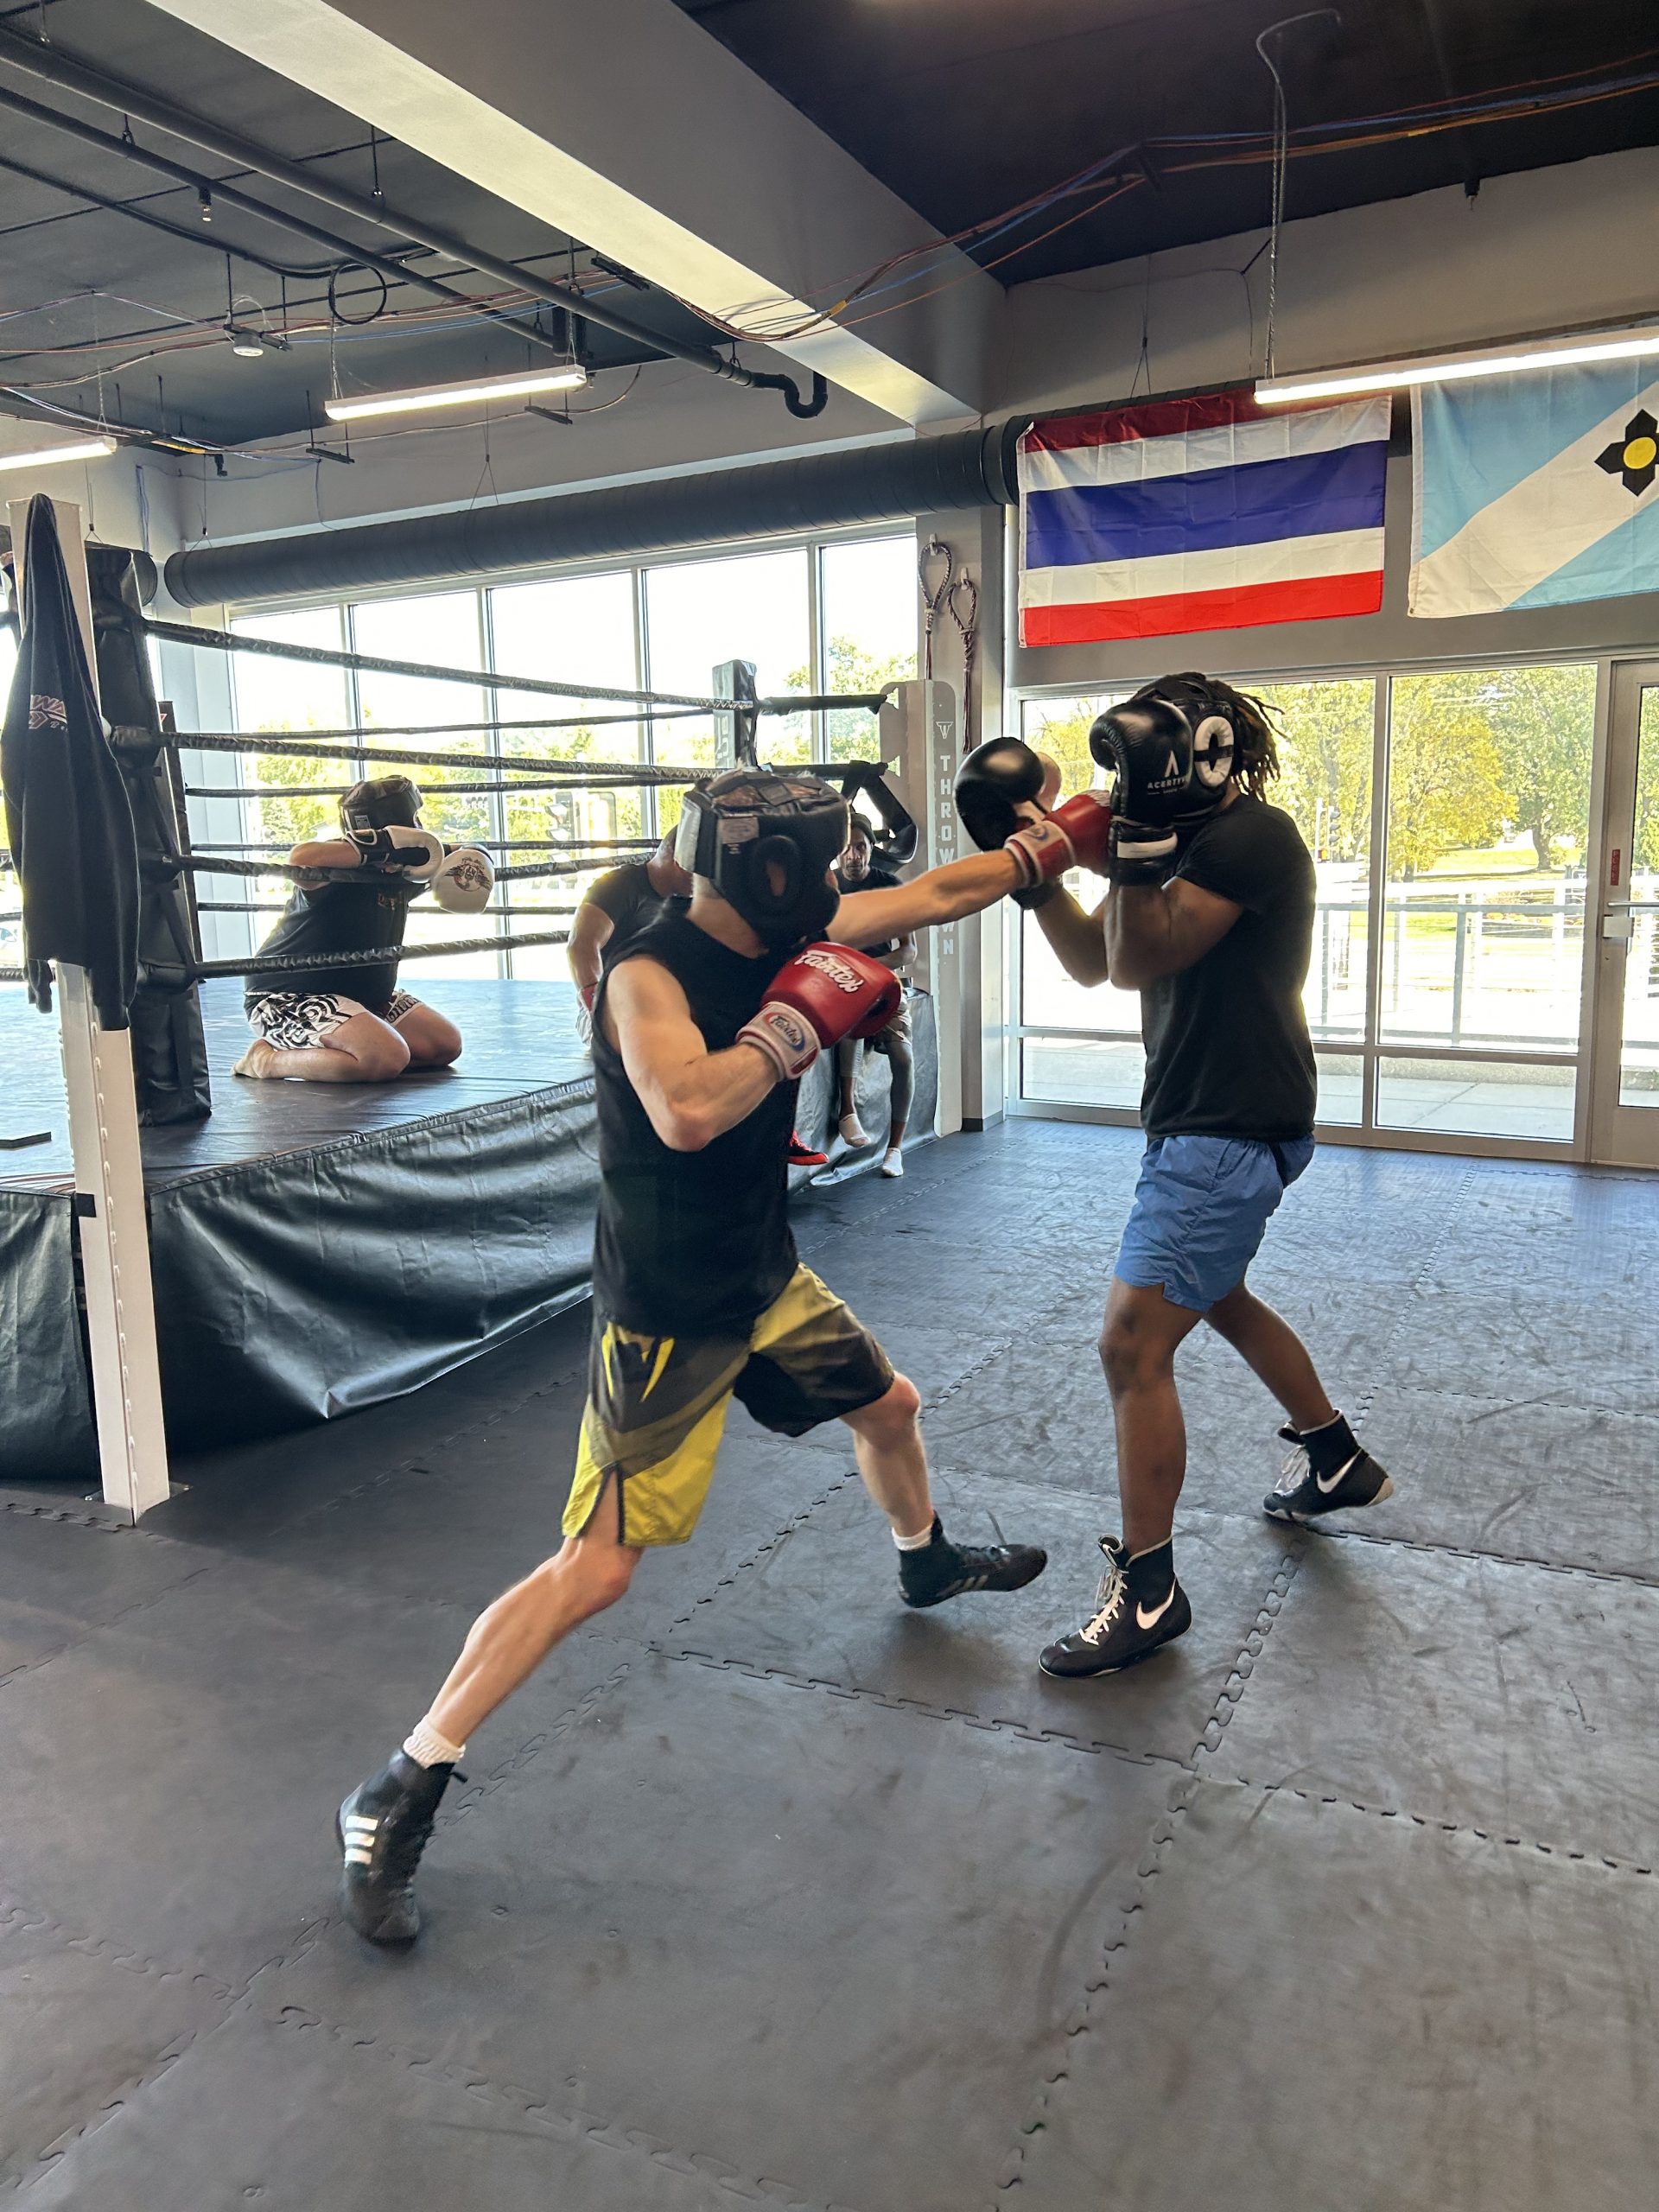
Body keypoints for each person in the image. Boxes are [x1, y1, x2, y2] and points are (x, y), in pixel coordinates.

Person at [334, 763, 1115, 1943]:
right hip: (667, 1311)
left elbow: (946, 893)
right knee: (596, 1570)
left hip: (762, 1274)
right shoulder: (649, 970)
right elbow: (688, 1109)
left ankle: (925, 1560)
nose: (852, 875)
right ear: (774, 866)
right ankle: (397, 1785)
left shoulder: (795, 925)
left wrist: (1054, 844)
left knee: (890, 1406)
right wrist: (800, 1021)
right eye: (834, 856)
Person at [954, 678, 1392, 1683]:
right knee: (1217, 1294)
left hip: (1228, 1125)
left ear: (1204, 750)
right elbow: (1097, 962)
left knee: (1130, 1343)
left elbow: (1146, 951)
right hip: (1204, 1119)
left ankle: (1149, 1590)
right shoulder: (1164, 832)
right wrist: (1038, 879)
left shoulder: (1251, 838)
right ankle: (1334, 1458)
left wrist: (1134, 841)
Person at [234, 776, 493, 1084]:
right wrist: (384, 847)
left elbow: (463, 852)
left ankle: (356, 1041)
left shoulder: (408, 868)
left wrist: (474, 853)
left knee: (443, 1045)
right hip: (287, 996)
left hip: (363, 996)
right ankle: (266, 1061)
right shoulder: (337, 868)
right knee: (385, 1057)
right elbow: (299, 861)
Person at [831, 821, 916, 1177]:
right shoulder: (827, 885)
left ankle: (894, 1149)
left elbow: (909, 951)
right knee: (851, 1021)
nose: (854, 855)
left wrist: (868, 966)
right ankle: (847, 1112)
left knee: (904, 1056)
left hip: (883, 982)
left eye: (861, 847)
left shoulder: (888, 886)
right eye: (848, 848)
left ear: (871, 848)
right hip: (838, 981)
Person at [566, 830, 692, 1039]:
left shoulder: (688, 901)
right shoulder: (618, 886)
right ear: (680, 862)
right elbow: (580, 946)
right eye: (698, 870)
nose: (703, 879)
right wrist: (598, 1009)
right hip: (616, 1006)